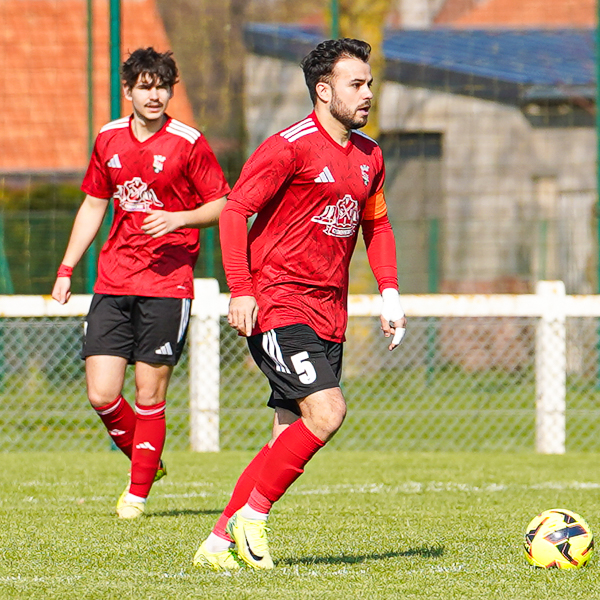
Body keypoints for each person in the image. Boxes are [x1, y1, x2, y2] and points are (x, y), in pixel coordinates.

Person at [192, 37, 406, 571]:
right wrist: (241, 288)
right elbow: (233, 211)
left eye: (369, 84)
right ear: (323, 89)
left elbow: (376, 226)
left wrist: (389, 292)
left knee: (287, 437)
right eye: (356, 85)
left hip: (329, 313)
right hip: (279, 304)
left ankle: (217, 543)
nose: (367, 94)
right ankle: (253, 519)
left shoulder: (369, 156)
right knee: (328, 411)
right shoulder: (289, 146)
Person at [51, 47, 230, 519]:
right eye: (145, 86)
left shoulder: (189, 142)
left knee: (149, 394)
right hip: (113, 281)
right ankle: (148, 460)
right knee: (102, 394)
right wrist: (67, 267)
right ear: (128, 91)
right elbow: (93, 204)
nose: (155, 95)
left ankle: (136, 495)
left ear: (172, 90)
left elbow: (223, 205)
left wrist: (179, 219)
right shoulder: (108, 138)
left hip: (167, 284)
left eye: (163, 86)